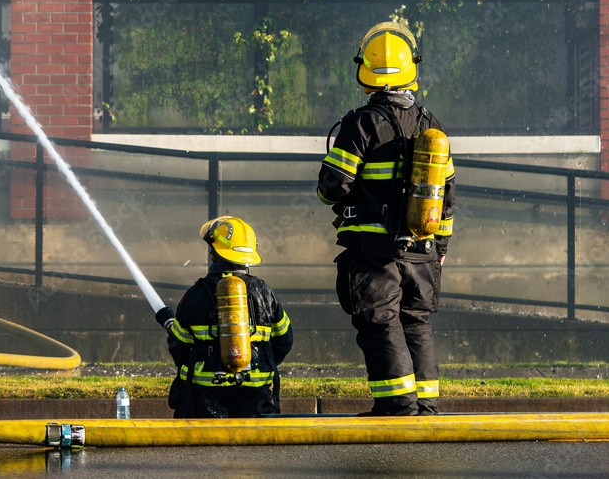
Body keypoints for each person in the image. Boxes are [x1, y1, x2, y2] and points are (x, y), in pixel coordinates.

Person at [316, 21, 455, 416]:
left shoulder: (361, 124)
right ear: (411, 70)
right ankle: (424, 403)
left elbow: (332, 187)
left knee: (381, 323)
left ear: (367, 74)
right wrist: (439, 248)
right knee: (416, 322)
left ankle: (397, 404)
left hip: (375, 252)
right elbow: (446, 198)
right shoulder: (433, 126)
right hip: (423, 252)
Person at [153, 216, 293, 418]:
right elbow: (284, 341)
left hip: (205, 394)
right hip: (255, 396)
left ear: (214, 254)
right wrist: (257, 363)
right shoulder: (265, 292)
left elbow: (179, 349)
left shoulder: (195, 294)